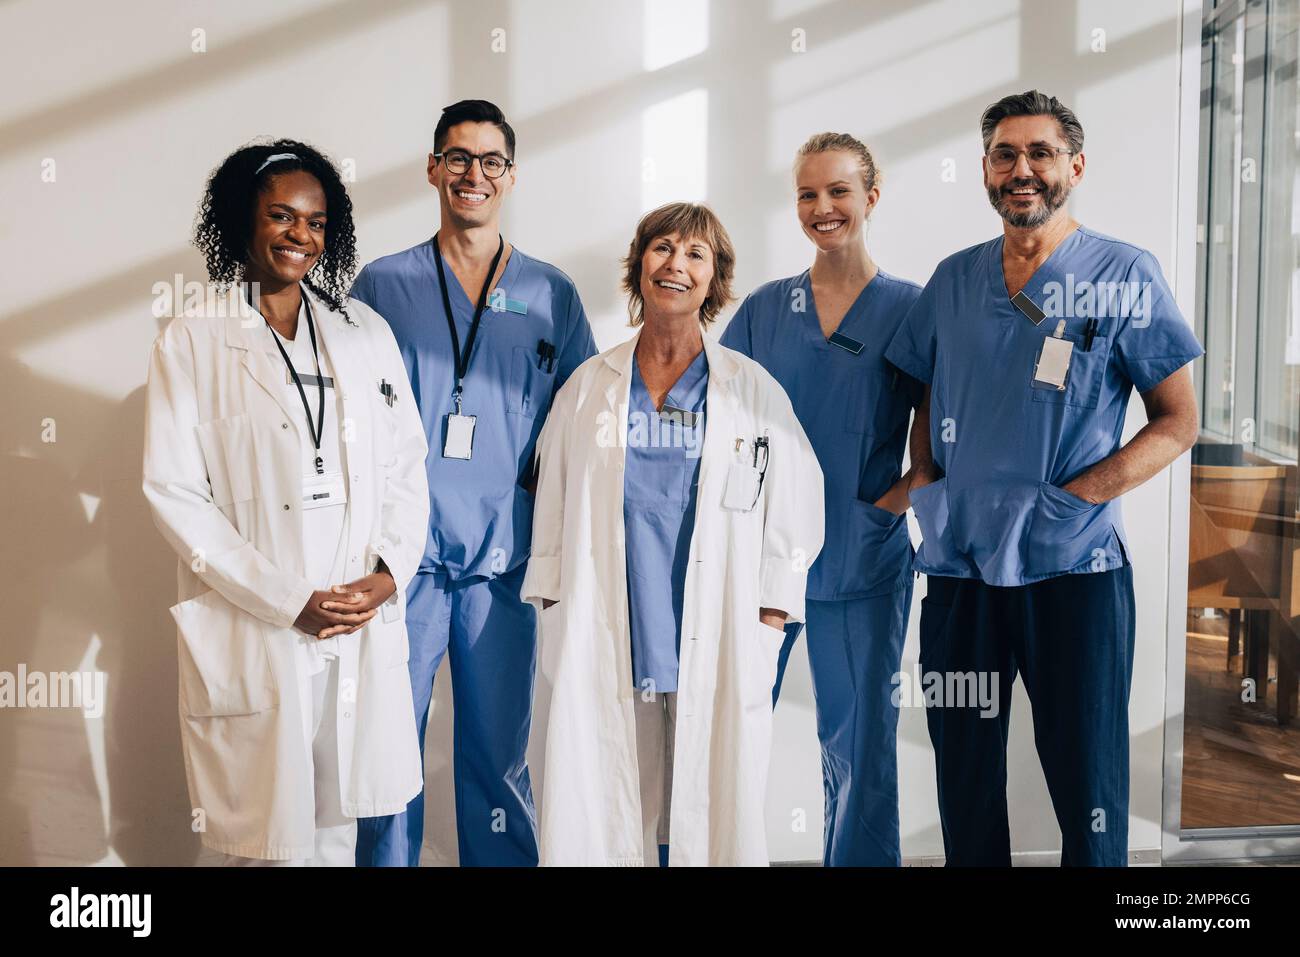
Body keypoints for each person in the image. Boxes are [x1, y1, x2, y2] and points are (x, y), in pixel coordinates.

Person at [885, 91, 1203, 866]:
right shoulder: (954, 279)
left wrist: (1075, 500)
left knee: (1087, 776)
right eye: (1004, 154)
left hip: (1074, 569)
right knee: (963, 772)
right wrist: (925, 479)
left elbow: (1177, 421)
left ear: (1075, 167)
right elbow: (927, 386)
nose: (1020, 169)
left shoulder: (1124, 273)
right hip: (961, 568)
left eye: (1040, 153)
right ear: (986, 169)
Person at [143, 140, 430, 865]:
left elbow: (407, 464)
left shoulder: (365, 333)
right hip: (263, 619)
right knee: (259, 839)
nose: (301, 235)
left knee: (334, 826)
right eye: (282, 216)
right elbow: (174, 492)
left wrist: (391, 570)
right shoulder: (194, 338)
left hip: (351, 617)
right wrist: (285, 597)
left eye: (317, 221)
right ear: (246, 219)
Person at [523, 202, 825, 866]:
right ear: (640, 266)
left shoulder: (750, 391)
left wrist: (772, 612)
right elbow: (553, 496)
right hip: (610, 618)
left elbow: (797, 502)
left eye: (695, 254)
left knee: (715, 805)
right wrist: (549, 603)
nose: (676, 265)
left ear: (715, 279)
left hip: (717, 624)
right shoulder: (589, 387)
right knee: (599, 799)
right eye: (662, 248)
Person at [350, 100, 597, 867]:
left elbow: (580, 422)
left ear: (512, 176)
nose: (473, 175)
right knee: (389, 756)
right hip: (402, 564)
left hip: (502, 564)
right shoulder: (383, 286)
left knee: (498, 756)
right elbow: (352, 416)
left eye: (491, 161)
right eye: (457, 158)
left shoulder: (550, 292)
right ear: (432, 169)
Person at [720, 133, 920, 866]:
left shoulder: (910, 309)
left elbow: (938, 444)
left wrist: (886, 511)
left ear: (872, 195)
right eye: (808, 194)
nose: (823, 208)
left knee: (860, 748)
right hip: (762, 561)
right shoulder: (769, 309)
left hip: (862, 559)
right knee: (733, 736)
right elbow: (719, 420)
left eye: (838, 191)